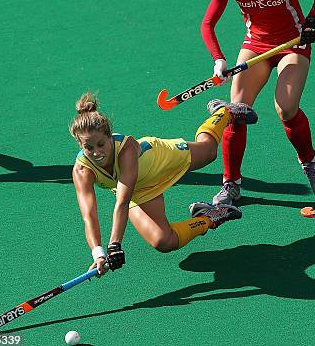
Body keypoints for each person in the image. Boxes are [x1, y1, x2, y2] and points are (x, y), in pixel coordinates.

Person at [201, 0, 315, 205]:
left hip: (292, 43)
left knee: (285, 108)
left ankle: (310, 161)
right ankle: (231, 183)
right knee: (235, 112)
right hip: (256, 45)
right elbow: (208, 24)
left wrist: (314, 18)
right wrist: (219, 60)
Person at [70, 93, 257, 276]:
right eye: (88, 147)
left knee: (209, 151)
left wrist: (114, 245)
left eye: (101, 144)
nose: (96, 153)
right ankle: (210, 217)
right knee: (163, 241)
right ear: (80, 144)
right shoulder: (82, 171)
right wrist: (99, 254)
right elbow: (89, 215)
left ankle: (224, 112)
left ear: (109, 136)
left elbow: (122, 202)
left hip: (159, 160)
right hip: (140, 190)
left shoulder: (126, 149)